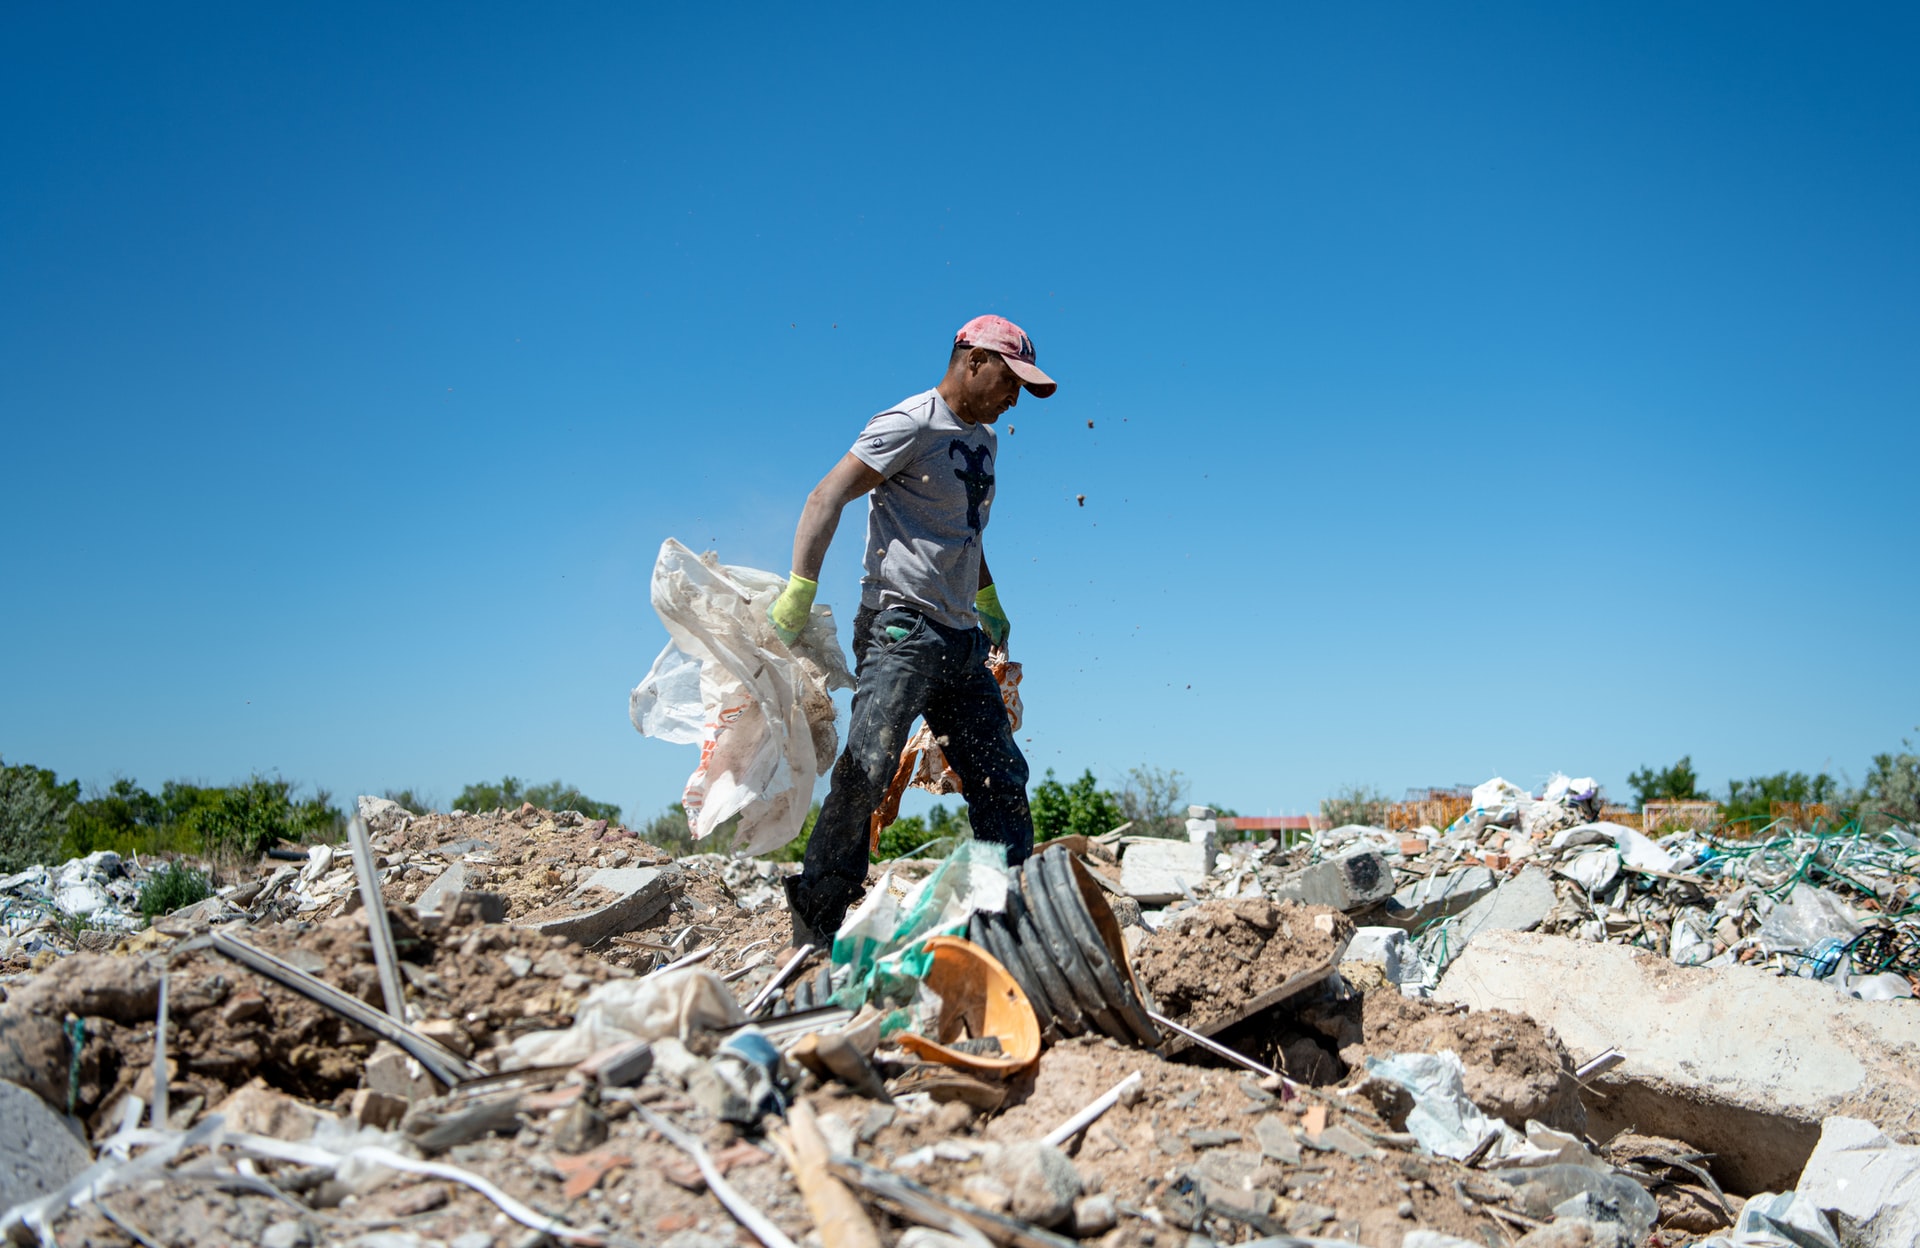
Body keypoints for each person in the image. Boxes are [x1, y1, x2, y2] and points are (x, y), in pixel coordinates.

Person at [766, 314, 1059, 947]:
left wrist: (987, 597)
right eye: (1010, 381)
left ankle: (1000, 920)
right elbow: (826, 496)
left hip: (962, 640)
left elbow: (963, 530)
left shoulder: (986, 441)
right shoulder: (909, 422)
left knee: (1000, 778)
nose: (1014, 399)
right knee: (868, 768)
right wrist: (801, 587)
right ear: (973, 361)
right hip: (900, 629)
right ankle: (818, 920)